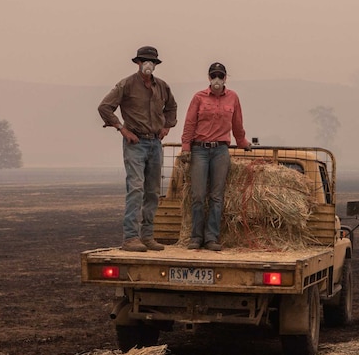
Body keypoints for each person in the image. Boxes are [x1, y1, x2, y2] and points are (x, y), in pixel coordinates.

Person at [98, 46, 178, 252]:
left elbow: (172, 107)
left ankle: (148, 236)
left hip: (155, 143)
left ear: (156, 65)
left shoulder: (162, 87)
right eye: (144, 60)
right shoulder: (126, 84)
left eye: (152, 61)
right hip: (135, 143)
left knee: (152, 191)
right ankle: (131, 237)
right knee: (135, 188)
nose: (148, 65)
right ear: (138, 63)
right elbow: (105, 107)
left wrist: (167, 126)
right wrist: (121, 129)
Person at [180, 62, 250, 251]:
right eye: (214, 76)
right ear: (209, 78)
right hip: (199, 150)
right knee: (198, 195)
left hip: (220, 150)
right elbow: (190, 122)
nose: (217, 79)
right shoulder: (199, 98)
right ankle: (196, 237)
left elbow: (237, 123)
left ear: (225, 78)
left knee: (217, 196)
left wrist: (242, 142)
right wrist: (186, 146)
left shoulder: (233, 97)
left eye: (220, 75)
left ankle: (212, 237)